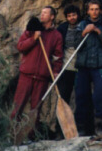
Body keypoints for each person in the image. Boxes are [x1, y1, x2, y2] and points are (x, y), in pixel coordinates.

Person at [10, 7, 63, 136]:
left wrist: (56, 71)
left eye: (45, 13)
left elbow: (58, 57)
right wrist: (33, 38)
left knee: (36, 109)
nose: (42, 15)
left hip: (42, 78)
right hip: (26, 75)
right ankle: (11, 134)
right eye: (41, 13)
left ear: (52, 17)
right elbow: (20, 47)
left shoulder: (56, 36)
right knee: (18, 106)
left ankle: (31, 136)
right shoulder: (32, 29)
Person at [74, 0, 102, 137]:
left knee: (100, 96)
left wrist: (98, 31)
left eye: (97, 9)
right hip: (83, 67)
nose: (94, 12)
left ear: (100, 11)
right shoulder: (81, 25)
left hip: (100, 67)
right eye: (91, 9)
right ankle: (81, 127)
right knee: (81, 96)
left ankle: (99, 126)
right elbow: (75, 45)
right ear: (88, 11)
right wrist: (83, 33)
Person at [56, 4, 83, 105]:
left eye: (74, 15)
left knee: (82, 96)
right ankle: (62, 116)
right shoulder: (62, 29)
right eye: (69, 16)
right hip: (66, 67)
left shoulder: (84, 26)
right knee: (64, 96)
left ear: (78, 15)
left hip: (81, 67)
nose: (72, 18)